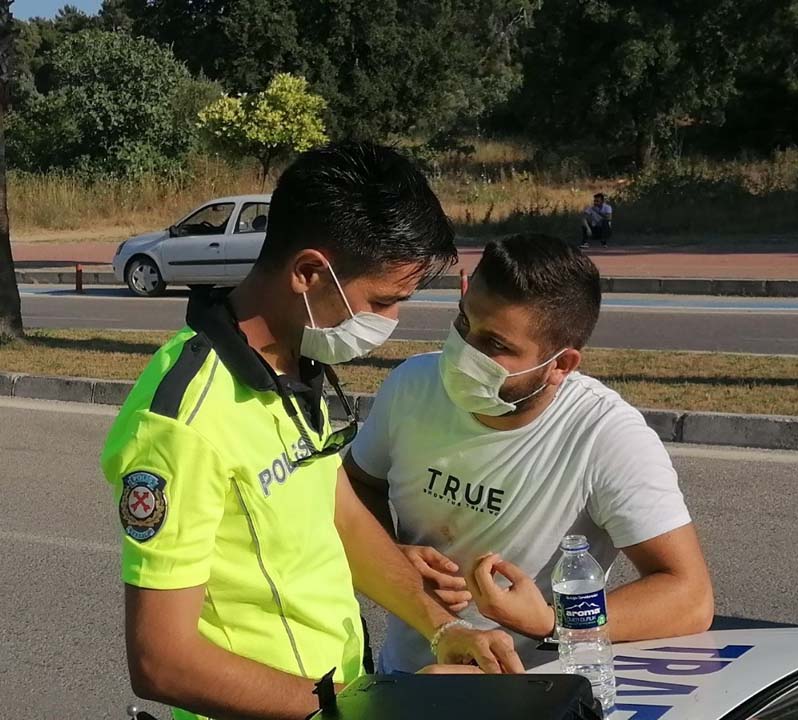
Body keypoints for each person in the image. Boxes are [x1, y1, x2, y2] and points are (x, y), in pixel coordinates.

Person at [100, 143, 523, 720]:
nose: (389, 323)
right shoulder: (182, 422)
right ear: (308, 273)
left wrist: (443, 626)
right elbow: (161, 660)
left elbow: (338, 511)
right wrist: (364, 710)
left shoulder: (292, 364)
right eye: (382, 301)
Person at [348, 233, 714, 673]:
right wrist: (392, 553)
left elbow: (689, 597)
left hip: (533, 693)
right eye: (464, 324)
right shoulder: (412, 384)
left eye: (496, 345)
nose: (464, 353)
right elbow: (357, 484)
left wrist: (552, 620)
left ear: (560, 365)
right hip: (404, 682)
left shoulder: (605, 435)